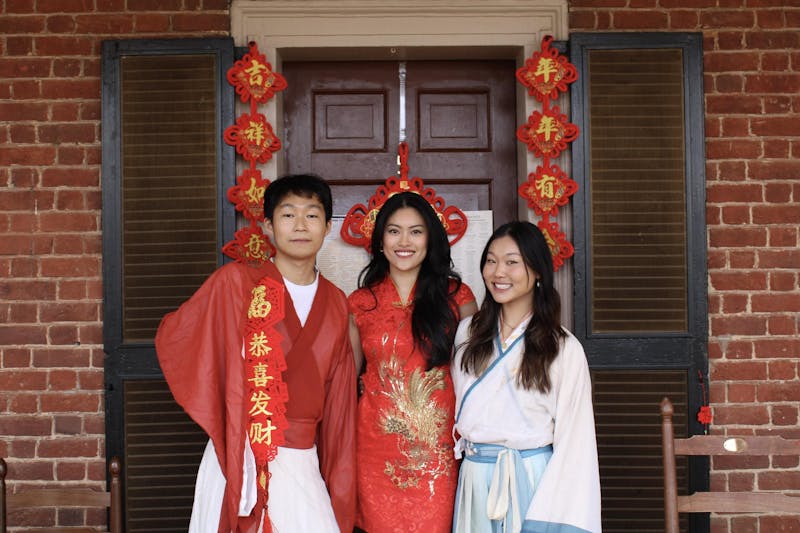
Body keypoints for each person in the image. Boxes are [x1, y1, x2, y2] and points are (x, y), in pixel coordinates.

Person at [155, 174, 356, 533]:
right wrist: (229, 416)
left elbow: (340, 404)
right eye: (287, 214)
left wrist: (339, 486)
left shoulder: (337, 304)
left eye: (311, 215)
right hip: (240, 454)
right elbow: (179, 337)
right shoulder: (235, 284)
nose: (299, 225)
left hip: (301, 460)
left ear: (327, 227)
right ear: (268, 225)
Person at [451, 221, 601, 533]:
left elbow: (576, 439)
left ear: (537, 273)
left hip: (533, 477)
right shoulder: (467, 333)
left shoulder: (563, 347)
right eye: (491, 261)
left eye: (511, 262)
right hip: (475, 477)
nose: (498, 272)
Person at [348, 191, 478, 533]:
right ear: (380, 241)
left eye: (416, 231)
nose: (404, 241)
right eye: (394, 231)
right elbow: (346, 380)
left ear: (430, 240)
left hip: (438, 451)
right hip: (375, 450)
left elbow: (476, 375)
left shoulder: (457, 297)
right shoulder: (360, 303)